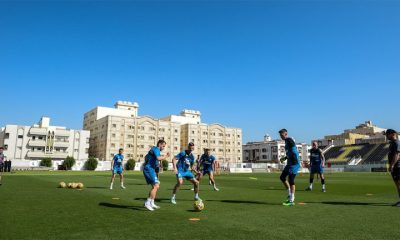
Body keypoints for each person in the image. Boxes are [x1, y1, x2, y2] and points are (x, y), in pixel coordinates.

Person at [143, 140, 170, 211]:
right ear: (160, 144)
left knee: (156, 186)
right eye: (163, 146)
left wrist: (157, 166)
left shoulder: (154, 150)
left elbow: (150, 158)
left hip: (151, 169)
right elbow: (158, 158)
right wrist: (166, 156)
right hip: (148, 169)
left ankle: (152, 202)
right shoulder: (156, 149)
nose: (163, 148)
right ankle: (147, 202)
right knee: (156, 186)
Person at [279, 129, 301, 206]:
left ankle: (291, 200)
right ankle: (289, 194)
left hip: (294, 163)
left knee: (291, 180)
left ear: (286, 134)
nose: (281, 137)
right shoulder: (286, 141)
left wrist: (295, 160)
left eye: (282, 135)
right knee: (282, 177)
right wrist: (284, 158)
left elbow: (294, 151)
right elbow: (290, 152)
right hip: (289, 163)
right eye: (280, 135)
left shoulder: (289, 140)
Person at [386, 129, 400, 207]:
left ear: (393, 134)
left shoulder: (396, 143)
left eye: (388, 134)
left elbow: (397, 155)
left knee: (399, 184)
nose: (386, 136)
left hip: (397, 166)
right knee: (397, 184)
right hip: (395, 166)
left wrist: (392, 165)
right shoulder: (392, 143)